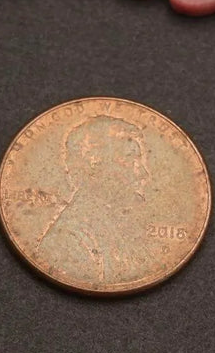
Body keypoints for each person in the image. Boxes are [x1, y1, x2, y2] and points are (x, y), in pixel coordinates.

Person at [35, 114, 152, 285]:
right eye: (130, 160)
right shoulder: (68, 242)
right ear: (95, 168)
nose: (143, 173)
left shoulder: (119, 229)